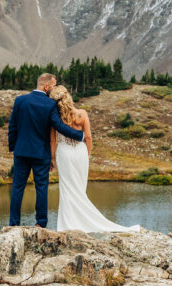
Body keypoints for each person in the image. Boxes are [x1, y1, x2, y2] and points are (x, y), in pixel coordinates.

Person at [50, 84, 139, 232]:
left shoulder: (55, 119)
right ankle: (81, 223)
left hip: (64, 154)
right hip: (80, 153)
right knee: (79, 188)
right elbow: (89, 137)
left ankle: (68, 225)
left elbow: (52, 141)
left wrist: (52, 159)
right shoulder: (82, 114)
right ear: (69, 98)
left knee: (67, 188)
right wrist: (87, 154)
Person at [8, 73, 85, 227]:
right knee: (41, 188)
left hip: (21, 152)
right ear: (46, 86)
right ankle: (40, 224)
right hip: (40, 154)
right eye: (53, 85)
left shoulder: (20, 100)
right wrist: (80, 135)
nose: (54, 88)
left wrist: (13, 147)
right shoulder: (50, 105)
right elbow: (59, 127)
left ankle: (14, 224)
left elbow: (12, 126)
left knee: (17, 188)